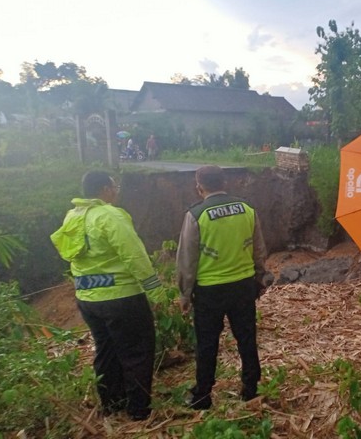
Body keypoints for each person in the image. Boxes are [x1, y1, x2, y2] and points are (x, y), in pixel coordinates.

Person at [50, 170, 164, 421]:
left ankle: (112, 404)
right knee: (136, 351)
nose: (116, 190)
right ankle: (138, 410)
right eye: (114, 186)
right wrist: (155, 290)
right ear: (104, 189)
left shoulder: (73, 216)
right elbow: (134, 255)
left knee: (106, 350)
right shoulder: (110, 215)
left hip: (88, 300)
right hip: (121, 297)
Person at [176, 165, 269, 410]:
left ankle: (202, 396)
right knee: (247, 339)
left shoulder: (196, 215)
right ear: (225, 183)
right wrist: (260, 276)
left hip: (210, 291)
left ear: (199, 187)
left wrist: (184, 294)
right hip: (243, 286)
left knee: (207, 344)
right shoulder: (247, 209)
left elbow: (187, 259)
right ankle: (250, 389)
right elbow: (258, 248)